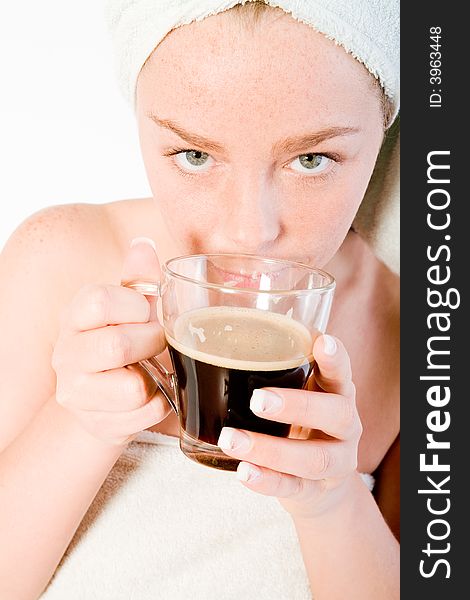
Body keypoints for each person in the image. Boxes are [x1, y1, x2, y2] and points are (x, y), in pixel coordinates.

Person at [0, 1, 400, 598]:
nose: (248, 232)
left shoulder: (415, 334)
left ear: (384, 131)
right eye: (195, 156)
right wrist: (82, 424)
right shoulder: (58, 260)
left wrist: (332, 503)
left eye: (312, 160)